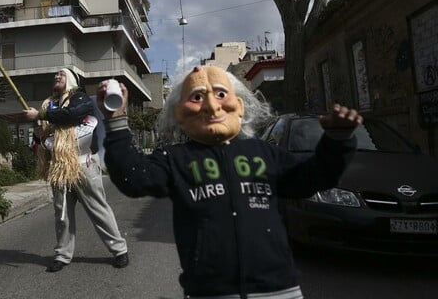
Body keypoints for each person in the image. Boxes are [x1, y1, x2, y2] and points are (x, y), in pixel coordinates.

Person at [97, 65, 362, 298]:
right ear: (180, 112)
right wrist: (116, 121)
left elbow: (310, 179)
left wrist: (337, 142)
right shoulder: (175, 158)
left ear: (240, 104)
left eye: (221, 94)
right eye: (197, 97)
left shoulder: (264, 152)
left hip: (278, 289)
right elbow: (135, 179)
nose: (212, 106)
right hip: (209, 291)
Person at [24, 68, 129, 272]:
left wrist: (41, 114)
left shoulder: (80, 99)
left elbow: (71, 115)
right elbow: (45, 136)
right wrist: (38, 134)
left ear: (71, 80)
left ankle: (119, 250)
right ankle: (63, 254)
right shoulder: (49, 104)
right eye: (55, 75)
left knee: (98, 208)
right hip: (59, 167)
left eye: (61, 75)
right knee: (61, 212)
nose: (56, 77)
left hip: (84, 163)